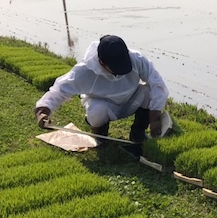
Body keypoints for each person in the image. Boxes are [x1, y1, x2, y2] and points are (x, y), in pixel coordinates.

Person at [34, 35, 169, 143]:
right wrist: (43, 110)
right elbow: (59, 90)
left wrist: (155, 115)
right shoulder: (85, 71)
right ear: (101, 62)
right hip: (104, 105)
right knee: (97, 111)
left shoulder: (137, 59)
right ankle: (100, 133)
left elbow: (157, 83)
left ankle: (138, 132)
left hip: (130, 99)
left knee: (148, 91)